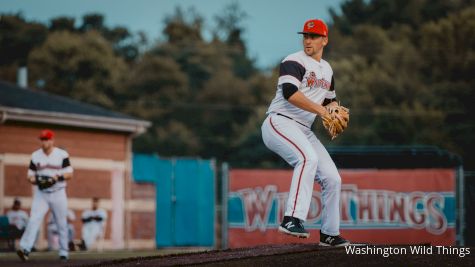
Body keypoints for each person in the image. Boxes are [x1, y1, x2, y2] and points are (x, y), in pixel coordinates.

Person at [261, 19, 349, 246]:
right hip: (279, 123)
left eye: (314, 36)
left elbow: (331, 102)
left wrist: (334, 112)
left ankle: (329, 233)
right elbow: (290, 92)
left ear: (325, 40)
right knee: (306, 158)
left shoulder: (327, 70)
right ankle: (292, 218)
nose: (308, 40)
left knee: (333, 178)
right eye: (305, 36)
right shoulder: (293, 60)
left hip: (303, 129)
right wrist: (322, 111)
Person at [16, 129, 73, 261]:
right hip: (42, 193)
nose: (44, 142)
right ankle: (25, 249)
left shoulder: (62, 154)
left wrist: (55, 178)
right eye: (42, 139)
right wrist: (38, 180)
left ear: (52, 140)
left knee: (61, 223)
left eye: (46, 139)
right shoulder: (36, 155)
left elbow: (69, 174)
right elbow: (29, 176)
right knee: (33, 219)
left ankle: (64, 252)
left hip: (58, 192)